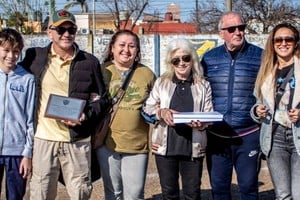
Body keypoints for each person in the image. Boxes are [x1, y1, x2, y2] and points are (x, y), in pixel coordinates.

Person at [18, 9, 108, 199]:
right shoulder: (34, 57)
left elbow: (103, 100)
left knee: (80, 194)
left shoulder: (89, 62)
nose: (66, 34)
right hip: (44, 139)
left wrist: (86, 115)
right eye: (60, 30)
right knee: (41, 194)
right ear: (49, 32)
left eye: (71, 29)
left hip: (77, 141)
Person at [201, 11, 263, 200]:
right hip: (217, 136)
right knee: (219, 190)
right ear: (221, 33)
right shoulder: (209, 58)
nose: (238, 32)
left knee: (248, 188)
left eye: (241, 27)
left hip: (248, 135)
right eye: (231, 29)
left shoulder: (260, 56)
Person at [142, 38, 213, 199]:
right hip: (165, 148)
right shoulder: (161, 82)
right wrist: (161, 112)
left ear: (192, 59)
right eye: (176, 60)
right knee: (169, 194)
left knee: (192, 194)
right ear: (171, 63)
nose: (181, 63)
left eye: (186, 58)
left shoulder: (203, 85)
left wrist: (201, 124)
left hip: (193, 146)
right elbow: (147, 108)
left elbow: (209, 113)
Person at [96, 29, 156, 200]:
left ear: (137, 50)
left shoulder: (147, 74)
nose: (126, 50)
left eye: (132, 46)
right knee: (113, 193)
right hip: (107, 143)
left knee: (135, 194)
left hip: (137, 145)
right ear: (112, 48)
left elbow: (158, 102)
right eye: (121, 45)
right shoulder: (101, 71)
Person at [251, 23, 300, 200]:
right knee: (282, 194)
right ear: (272, 44)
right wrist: (257, 111)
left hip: (298, 135)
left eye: (289, 39)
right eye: (278, 39)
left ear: (296, 43)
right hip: (274, 137)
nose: (283, 43)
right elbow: (256, 104)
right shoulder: (266, 71)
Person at [0, 28, 35, 200]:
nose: (11, 56)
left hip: (17, 151)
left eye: (15, 51)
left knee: (15, 197)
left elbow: (30, 120)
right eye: (6, 50)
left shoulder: (27, 79)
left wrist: (27, 153)